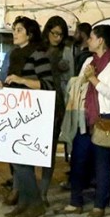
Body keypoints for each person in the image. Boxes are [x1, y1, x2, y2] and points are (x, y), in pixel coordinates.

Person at [64, 24, 110, 217]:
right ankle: (76, 200)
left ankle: (99, 204)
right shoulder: (89, 60)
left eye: (91, 37)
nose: (88, 40)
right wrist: (85, 79)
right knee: (78, 159)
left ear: (100, 40)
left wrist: (93, 79)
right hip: (85, 115)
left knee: (102, 163)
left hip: (105, 118)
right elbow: (80, 83)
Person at [0, 16, 53, 217]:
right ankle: (24, 203)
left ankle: (36, 203)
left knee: (22, 160)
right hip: (16, 111)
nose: (15, 33)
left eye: (19, 30)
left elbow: (47, 84)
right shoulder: (15, 54)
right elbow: (14, 83)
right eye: (14, 29)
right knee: (17, 160)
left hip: (32, 113)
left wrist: (21, 80)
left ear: (29, 34)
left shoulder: (38, 54)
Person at [40, 16, 73, 202]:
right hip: (38, 99)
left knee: (49, 147)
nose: (58, 38)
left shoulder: (66, 52)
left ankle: (43, 191)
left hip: (56, 101)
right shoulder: (39, 48)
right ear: (48, 32)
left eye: (61, 35)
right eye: (54, 33)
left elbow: (70, 79)